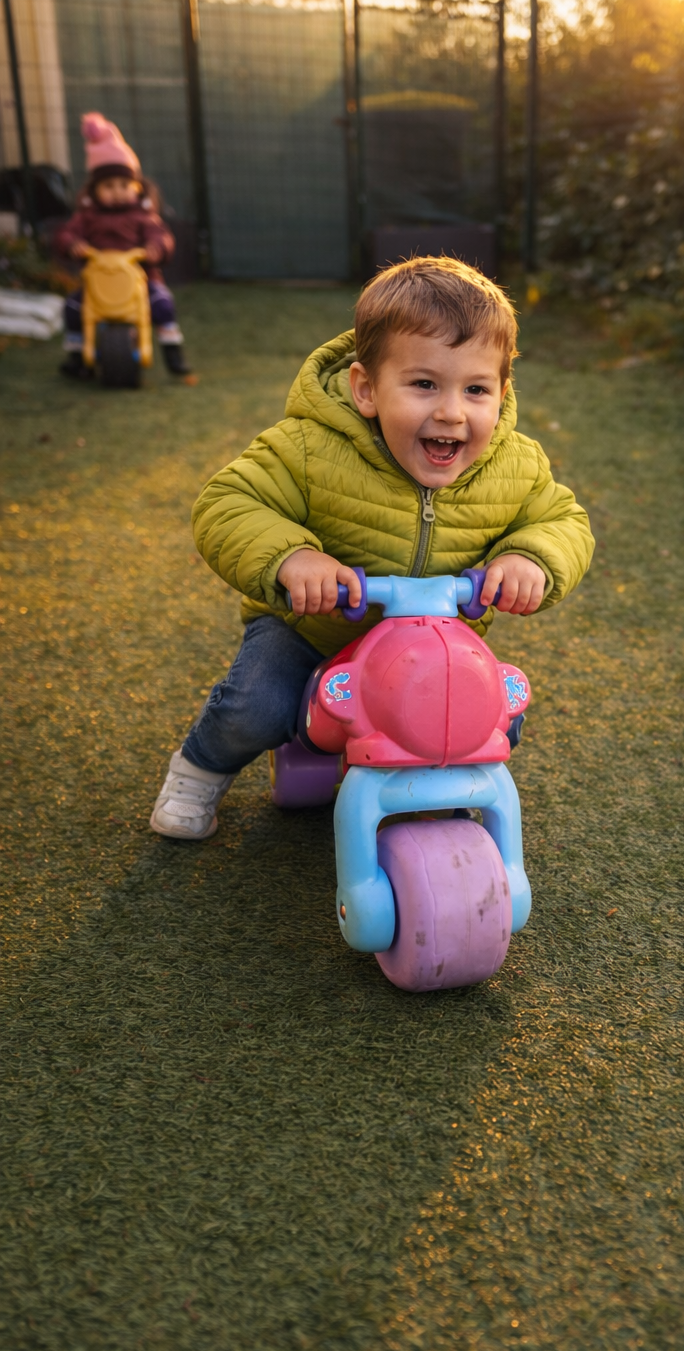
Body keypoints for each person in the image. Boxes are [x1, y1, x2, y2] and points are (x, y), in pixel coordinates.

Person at [150, 255, 594, 839]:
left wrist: (531, 557)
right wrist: (293, 559)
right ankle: (200, 770)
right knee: (256, 705)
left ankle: (443, 789)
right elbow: (228, 502)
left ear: (502, 391)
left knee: (492, 722)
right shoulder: (308, 447)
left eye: (477, 389)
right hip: (311, 631)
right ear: (366, 388)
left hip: (435, 648)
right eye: (423, 384)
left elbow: (563, 518)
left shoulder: (513, 463)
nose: (452, 412)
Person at [53, 113, 193, 380]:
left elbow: (161, 236)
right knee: (73, 307)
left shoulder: (144, 216)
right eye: (108, 186)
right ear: (94, 191)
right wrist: (72, 244)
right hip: (97, 283)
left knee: (162, 302)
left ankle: (172, 348)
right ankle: (76, 354)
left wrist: (155, 248)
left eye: (124, 185)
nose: (117, 191)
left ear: (137, 187)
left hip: (140, 281)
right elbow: (65, 234)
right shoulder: (87, 217)